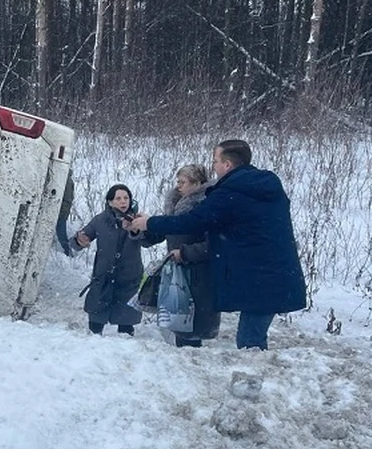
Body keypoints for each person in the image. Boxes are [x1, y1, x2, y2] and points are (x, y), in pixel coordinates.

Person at [127, 140, 306, 350]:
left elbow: (194, 220)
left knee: (250, 342)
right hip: (275, 272)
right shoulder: (265, 185)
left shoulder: (231, 193)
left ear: (227, 164)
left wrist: (149, 222)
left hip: (260, 277)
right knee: (252, 336)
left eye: (215, 161)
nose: (213, 166)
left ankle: (252, 380)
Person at [141, 165, 220, 347]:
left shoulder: (206, 208)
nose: (178, 186)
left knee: (191, 327)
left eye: (183, 182)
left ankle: (190, 367)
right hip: (176, 274)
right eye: (177, 181)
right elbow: (162, 232)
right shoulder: (176, 206)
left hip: (199, 277)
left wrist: (185, 253)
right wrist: (142, 228)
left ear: (197, 184)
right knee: (178, 322)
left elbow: (213, 245)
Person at [74, 184, 143, 335]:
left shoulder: (138, 220)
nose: (123, 202)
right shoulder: (100, 220)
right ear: (110, 202)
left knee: (126, 327)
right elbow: (81, 237)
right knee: (95, 327)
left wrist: (138, 230)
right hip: (103, 277)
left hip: (128, 278)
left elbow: (152, 239)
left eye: (126, 198)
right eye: (118, 198)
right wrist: (80, 240)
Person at [55, 175, 75, 256]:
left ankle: (67, 251)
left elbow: (66, 198)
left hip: (62, 210)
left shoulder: (64, 179)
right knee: (61, 231)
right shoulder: (69, 180)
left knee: (61, 232)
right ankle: (67, 251)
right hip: (63, 209)